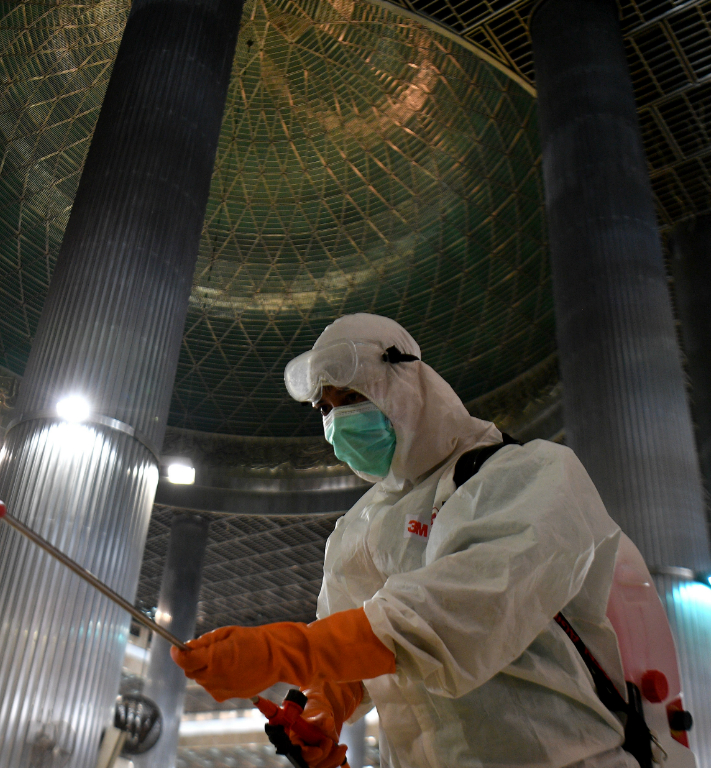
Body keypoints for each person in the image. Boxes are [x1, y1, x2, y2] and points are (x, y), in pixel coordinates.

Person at [172, 313, 637, 768]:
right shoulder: (357, 528)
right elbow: (351, 650)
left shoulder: (529, 474)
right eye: (325, 408)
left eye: (351, 397)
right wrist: (323, 708)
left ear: (406, 384)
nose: (337, 421)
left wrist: (289, 652)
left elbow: (457, 617)